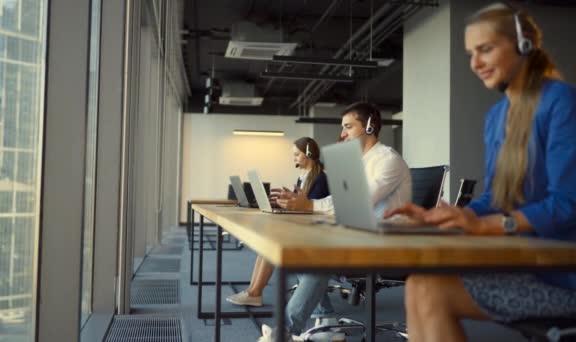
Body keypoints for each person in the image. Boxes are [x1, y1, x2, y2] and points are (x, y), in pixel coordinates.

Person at [385, 4, 576, 341]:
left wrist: (490, 224)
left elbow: (568, 202)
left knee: (430, 290)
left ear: (523, 44)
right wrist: (444, 217)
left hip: (563, 275)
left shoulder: (561, 102)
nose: (475, 63)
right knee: (418, 282)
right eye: (471, 53)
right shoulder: (496, 117)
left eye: (485, 49)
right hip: (526, 264)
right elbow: (495, 198)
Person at [259, 102, 412, 341]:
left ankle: (285, 333)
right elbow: (338, 201)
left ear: (370, 126)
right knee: (299, 247)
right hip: (358, 235)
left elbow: (359, 201)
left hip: (386, 244)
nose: (342, 134)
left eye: (348, 127)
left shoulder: (387, 160)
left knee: (320, 254)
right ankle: (328, 322)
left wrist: (309, 205)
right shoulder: (355, 164)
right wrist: (305, 204)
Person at [226, 137, 330, 307]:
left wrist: (293, 205)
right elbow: (301, 205)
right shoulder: (303, 177)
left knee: (272, 243)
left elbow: (313, 209)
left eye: (297, 154)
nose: (294, 158)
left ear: (309, 154)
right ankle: (252, 291)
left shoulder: (320, 178)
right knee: (267, 244)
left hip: (316, 231)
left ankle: (254, 293)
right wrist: (282, 203)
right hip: (304, 226)